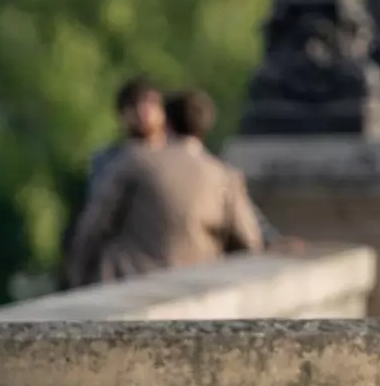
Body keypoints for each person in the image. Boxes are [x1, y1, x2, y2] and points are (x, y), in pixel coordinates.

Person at [67, 91, 265, 286]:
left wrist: (77, 275)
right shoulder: (224, 176)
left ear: (165, 122)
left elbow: (93, 228)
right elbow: (249, 243)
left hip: (130, 284)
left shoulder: (134, 162)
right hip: (196, 287)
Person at [163, 88, 298, 253]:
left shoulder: (144, 168)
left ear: (166, 125)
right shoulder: (223, 175)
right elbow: (250, 233)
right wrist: (274, 240)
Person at [86, 76, 166, 195]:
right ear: (121, 115)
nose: (142, 112)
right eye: (134, 105)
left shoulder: (177, 160)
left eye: (150, 104)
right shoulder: (107, 161)